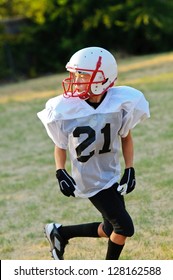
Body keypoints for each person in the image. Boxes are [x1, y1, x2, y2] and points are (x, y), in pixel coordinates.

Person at [37, 46, 150, 260]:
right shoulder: (66, 108)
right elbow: (60, 144)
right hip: (89, 179)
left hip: (110, 173)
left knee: (110, 229)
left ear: (102, 78)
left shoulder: (120, 102)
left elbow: (126, 136)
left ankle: (61, 232)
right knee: (125, 228)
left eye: (82, 74)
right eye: (75, 74)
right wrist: (60, 171)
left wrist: (130, 169)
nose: (76, 79)